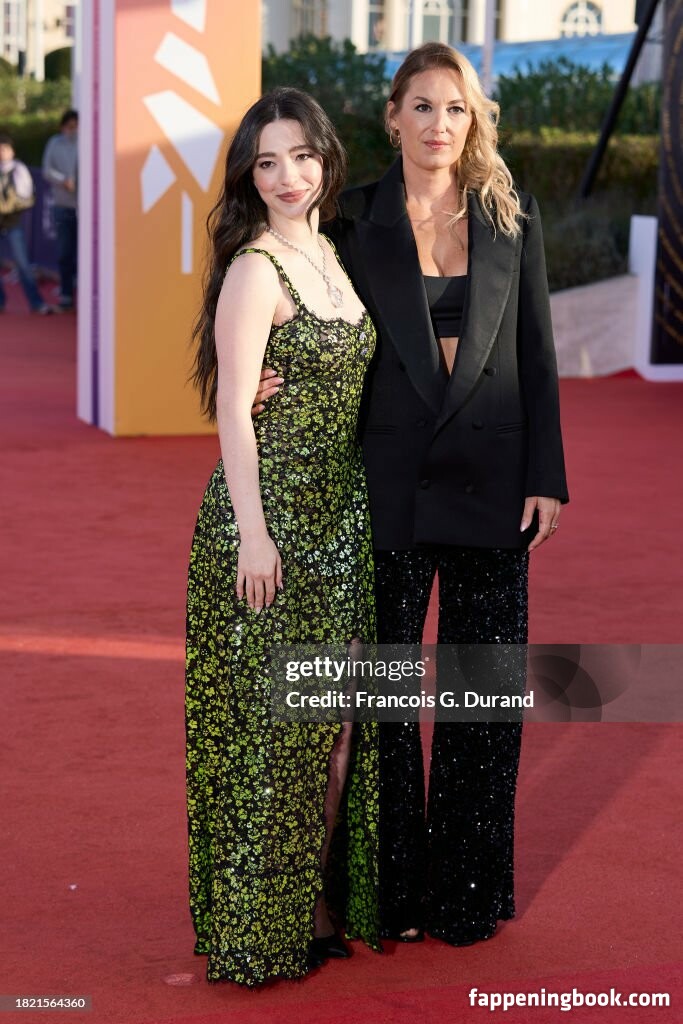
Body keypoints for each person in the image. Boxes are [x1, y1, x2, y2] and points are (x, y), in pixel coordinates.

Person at [254, 44, 569, 947]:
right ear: (391, 116)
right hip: (382, 482)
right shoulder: (349, 221)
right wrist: (258, 374)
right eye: (422, 106)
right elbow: (278, 281)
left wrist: (545, 475)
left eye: (456, 108)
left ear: (474, 121)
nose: (439, 124)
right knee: (383, 703)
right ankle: (386, 893)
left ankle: (465, 893)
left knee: (482, 699)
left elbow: (536, 354)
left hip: (493, 485)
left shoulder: (510, 217)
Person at [186, 87, 380, 986]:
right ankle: (261, 925)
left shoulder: (332, 254)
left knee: (334, 726)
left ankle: (309, 903)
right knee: (274, 734)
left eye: (300, 156)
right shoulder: (255, 269)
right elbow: (233, 407)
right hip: (269, 527)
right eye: (266, 162)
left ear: (325, 159)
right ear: (248, 177)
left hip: (341, 518)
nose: (287, 176)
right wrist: (253, 537)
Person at [0, 133, 54, 314]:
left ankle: (36, 302)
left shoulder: (18, 170)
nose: (2, 153)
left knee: (22, 263)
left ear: (12, 151)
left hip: (13, 222)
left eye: (5, 149)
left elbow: (27, 195)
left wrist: (13, 201)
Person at [42, 109, 78, 310]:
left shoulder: (86, 143)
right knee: (65, 252)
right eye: (70, 126)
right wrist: (63, 180)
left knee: (85, 254)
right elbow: (47, 170)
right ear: (63, 127)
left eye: (76, 126)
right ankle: (66, 294)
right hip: (62, 206)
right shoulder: (55, 143)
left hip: (85, 208)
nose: (73, 130)